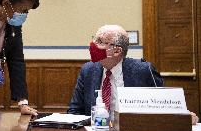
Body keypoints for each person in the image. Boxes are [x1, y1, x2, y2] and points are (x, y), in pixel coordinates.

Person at [67, 24, 199, 125]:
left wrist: (183, 117)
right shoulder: (88, 70)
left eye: (100, 42)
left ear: (117, 51)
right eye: (94, 40)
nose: (93, 46)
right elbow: (74, 111)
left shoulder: (144, 70)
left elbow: (164, 108)